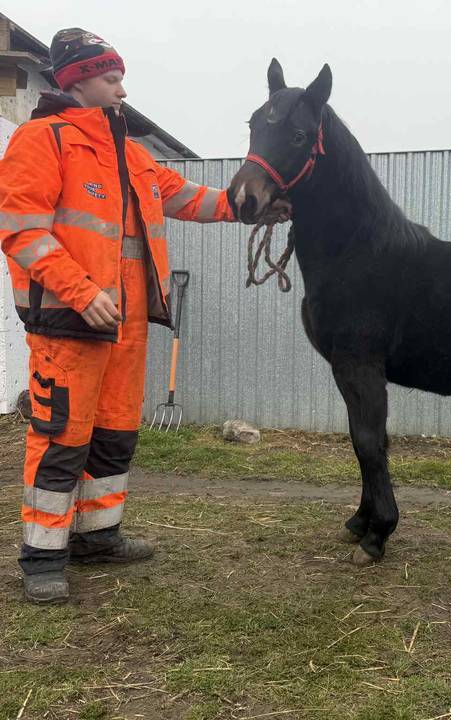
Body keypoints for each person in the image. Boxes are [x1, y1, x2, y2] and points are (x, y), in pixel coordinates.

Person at [0, 28, 289, 604]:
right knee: (61, 438)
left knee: (112, 435)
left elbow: (186, 198)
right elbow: (20, 232)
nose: (122, 88)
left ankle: (98, 537)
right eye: (111, 78)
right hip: (67, 320)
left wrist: (249, 207)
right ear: (77, 80)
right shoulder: (42, 141)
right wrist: (82, 292)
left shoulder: (130, 153)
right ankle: (42, 556)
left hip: (126, 325)